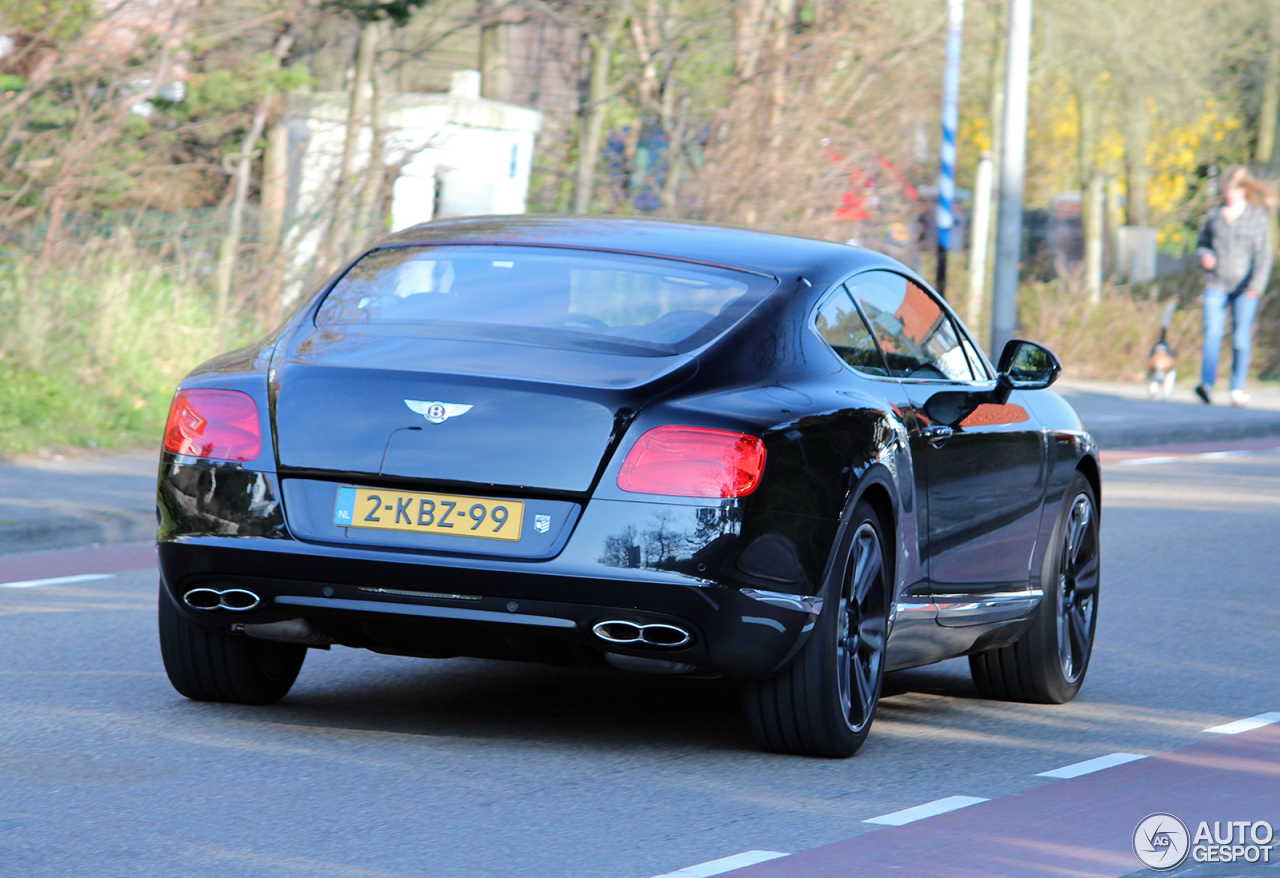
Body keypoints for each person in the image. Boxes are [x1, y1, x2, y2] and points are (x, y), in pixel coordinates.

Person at [1194, 164, 1275, 406]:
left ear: (1244, 189)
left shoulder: (1256, 217)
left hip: (1245, 288)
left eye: (1233, 189)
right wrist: (1204, 256)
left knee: (1240, 338)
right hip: (1216, 282)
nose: (1228, 194)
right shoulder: (1214, 215)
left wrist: (1256, 286)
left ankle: (1236, 387)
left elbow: (1264, 255)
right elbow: (1202, 244)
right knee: (1212, 333)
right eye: (1225, 189)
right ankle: (1206, 385)